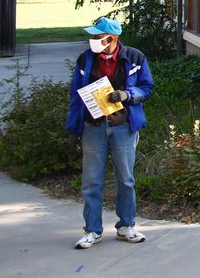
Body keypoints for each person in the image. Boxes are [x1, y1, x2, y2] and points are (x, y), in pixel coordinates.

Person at [66, 16, 155, 250]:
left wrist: (127, 95)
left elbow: (147, 88)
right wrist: (73, 129)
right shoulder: (85, 59)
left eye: (98, 36)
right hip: (93, 127)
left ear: (111, 38)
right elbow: (75, 94)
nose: (93, 40)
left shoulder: (135, 57)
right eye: (93, 36)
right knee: (91, 181)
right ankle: (92, 230)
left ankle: (126, 226)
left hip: (123, 127)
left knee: (125, 179)